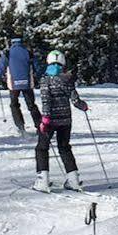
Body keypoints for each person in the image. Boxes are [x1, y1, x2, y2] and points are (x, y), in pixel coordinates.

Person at [34, 50, 88, 191]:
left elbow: (46, 100)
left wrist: (45, 119)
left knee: (42, 147)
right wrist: (83, 106)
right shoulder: (67, 78)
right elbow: (75, 100)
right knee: (64, 147)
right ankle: (73, 179)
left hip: (50, 120)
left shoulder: (46, 79)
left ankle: (42, 180)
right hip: (66, 121)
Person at [0, 37, 40, 133]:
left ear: (12, 42)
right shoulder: (28, 52)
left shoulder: (8, 53)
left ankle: (20, 126)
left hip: (13, 84)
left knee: (14, 104)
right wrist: (39, 76)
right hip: (27, 83)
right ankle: (39, 126)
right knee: (31, 105)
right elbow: (37, 66)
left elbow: (1, 66)